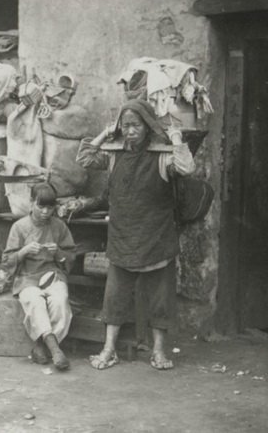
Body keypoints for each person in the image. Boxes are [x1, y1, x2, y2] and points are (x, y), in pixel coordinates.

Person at [76, 98, 195, 370]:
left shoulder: (163, 155)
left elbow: (187, 169)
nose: (130, 131)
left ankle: (159, 352)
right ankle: (109, 349)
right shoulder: (114, 153)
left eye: (136, 125)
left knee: (160, 297)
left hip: (157, 236)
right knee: (114, 296)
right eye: (125, 125)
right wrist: (106, 133)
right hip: (123, 235)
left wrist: (176, 139)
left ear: (148, 126)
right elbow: (83, 158)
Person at [2, 182, 76, 370]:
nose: (45, 212)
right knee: (35, 301)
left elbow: (70, 256)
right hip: (27, 276)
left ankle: (41, 345)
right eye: (40, 206)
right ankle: (55, 350)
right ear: (31, 202)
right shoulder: (19, 227)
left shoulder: (59, 226)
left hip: (52, 274)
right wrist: (23, 251)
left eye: (50, 207)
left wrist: (58, 252)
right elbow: (6, 261)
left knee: (60, 301)